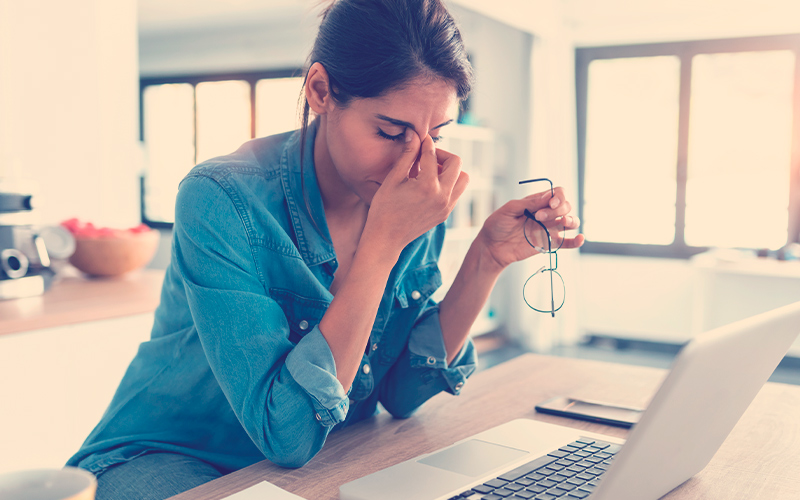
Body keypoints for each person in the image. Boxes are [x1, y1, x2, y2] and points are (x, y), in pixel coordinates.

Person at [66, 0, 583, 498]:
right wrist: (381, 246)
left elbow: (403, 394)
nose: (417, 163)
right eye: (390, 130)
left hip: (317, 457)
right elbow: (285, 433)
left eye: (437, 132)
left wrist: (486, 259)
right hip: (170, 456)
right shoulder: (221, 198)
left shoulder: (412, 197)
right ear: (319, 90)